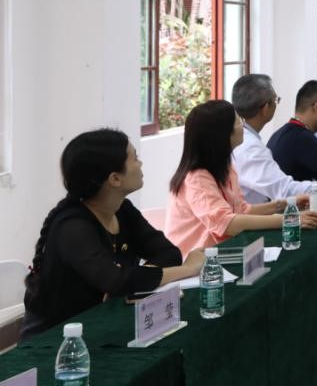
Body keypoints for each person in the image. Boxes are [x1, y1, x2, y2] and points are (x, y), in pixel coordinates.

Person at [21, 129, 205, 339]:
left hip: (104, 325)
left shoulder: (122, 209)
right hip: (58, 339)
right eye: (135, 158)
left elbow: (168, 253)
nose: (140, 164)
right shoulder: (72, 227)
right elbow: (116, 282)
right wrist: (188, 269)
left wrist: (133, 280)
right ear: (115, 178)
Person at [166, 100, 317, 255]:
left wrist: (285, 204)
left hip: (223, 252)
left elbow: (242, 210)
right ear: (223, 134)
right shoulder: (196, 178)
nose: (243, 126)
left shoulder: (225, 166)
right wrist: (289, 219)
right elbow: (227, 224)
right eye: (238, 121)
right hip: (195, 262)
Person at [231, 73, 317, 204]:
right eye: (276, 100)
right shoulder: (253, 146)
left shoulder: (276, 135)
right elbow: (286, 190)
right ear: (266, 107)